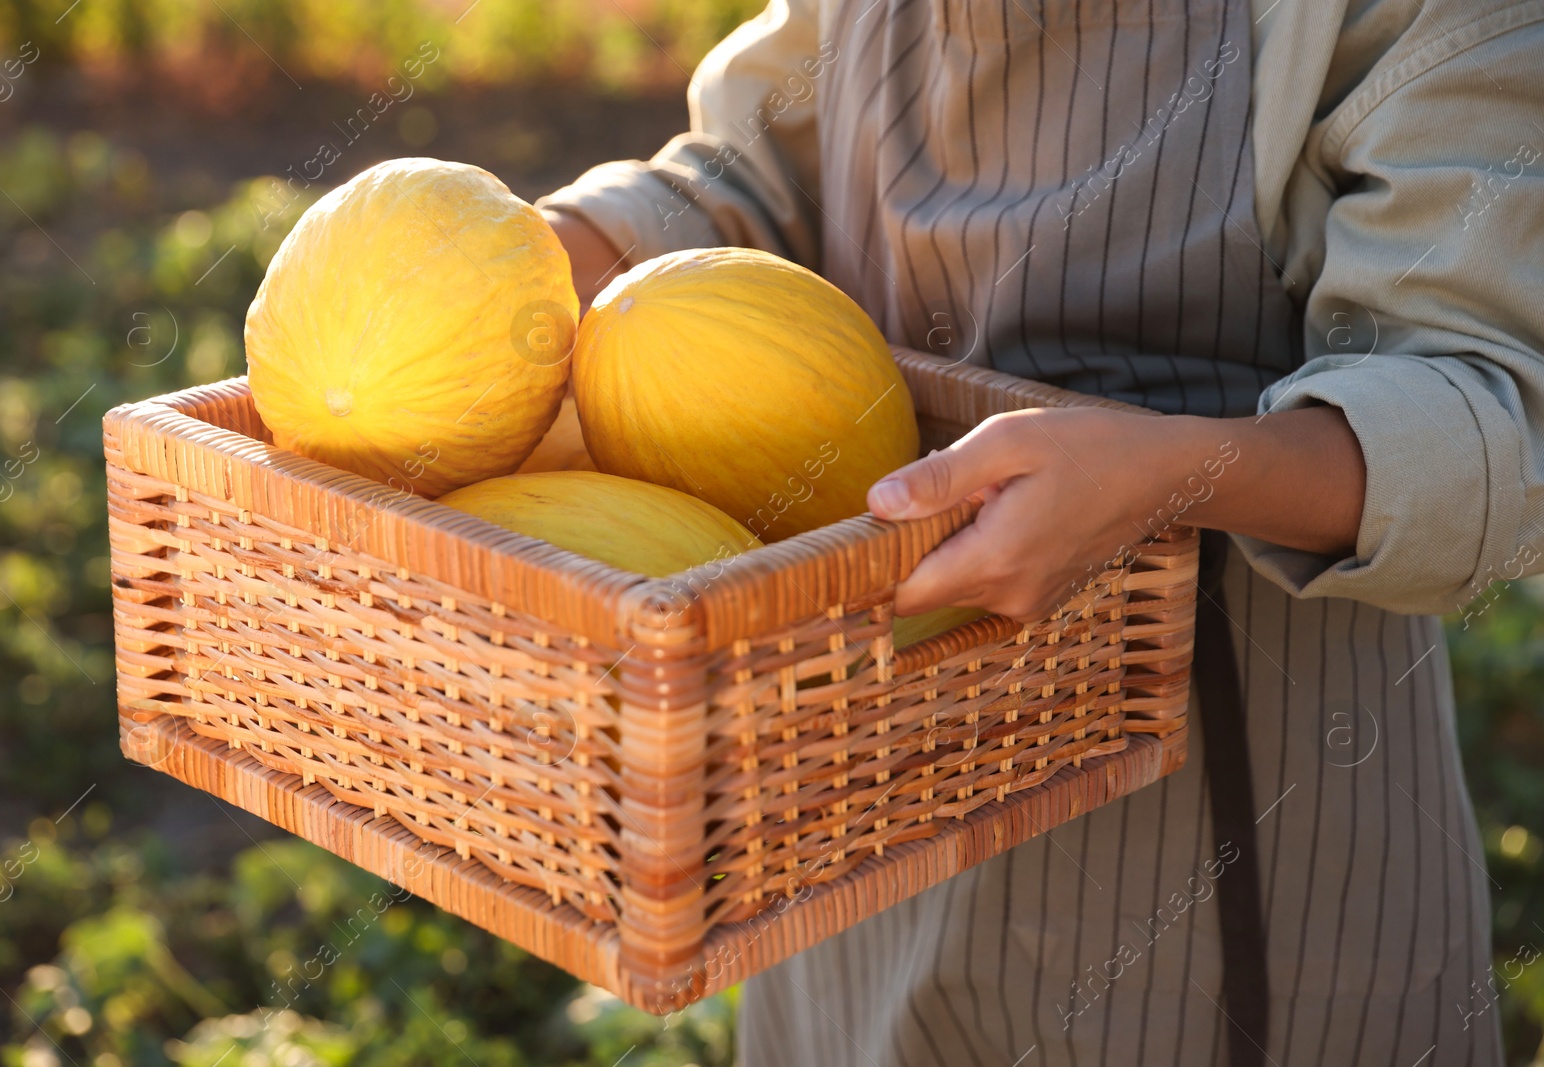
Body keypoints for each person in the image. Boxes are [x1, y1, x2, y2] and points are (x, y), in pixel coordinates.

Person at [536, 0, 1542, 1062]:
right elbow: (755, 170)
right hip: (845, 803)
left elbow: (1491, 417)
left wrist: (1172, 476)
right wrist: (564, 253)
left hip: (1218, 857)